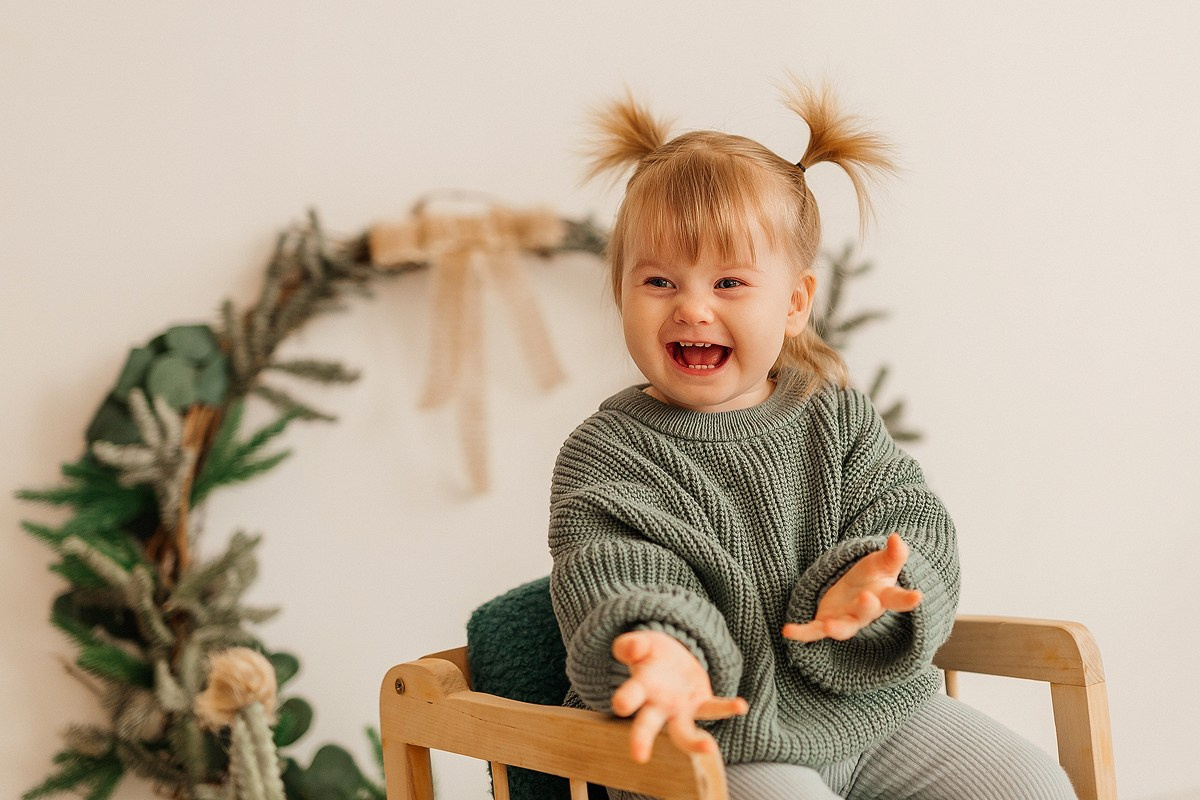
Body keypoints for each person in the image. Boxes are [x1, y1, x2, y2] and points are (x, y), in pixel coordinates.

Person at [547, 79, 1077, 800]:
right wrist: (663, 650)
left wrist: (879, 579)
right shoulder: (609, 452)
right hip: (706, 735)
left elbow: (909, 520)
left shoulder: (836, 419)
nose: (693, 307)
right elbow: (616, 569)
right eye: (660, 281)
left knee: (1031, 785)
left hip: (871, 714)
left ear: (795, 302)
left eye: (730, 282)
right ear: (621, 294)